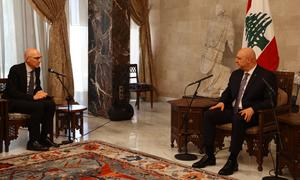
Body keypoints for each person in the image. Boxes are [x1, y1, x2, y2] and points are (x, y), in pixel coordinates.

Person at [192, 48, 277, 176]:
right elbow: (228, 92)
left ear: (249, 60)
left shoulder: (266, 76)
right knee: (209, 115)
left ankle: (232, 160)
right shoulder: (236, 74)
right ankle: (209, 155)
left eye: (239, 58)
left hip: (252, 114)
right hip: (234, 110)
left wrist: (253, 109)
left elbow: (271, 101)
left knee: (238, 119)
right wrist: (222, 101)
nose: (236, 61)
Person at [4, 48, 59, 151]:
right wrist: (32, 97)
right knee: (38, 106)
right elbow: (12, 92)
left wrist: (40, 92)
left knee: (50, 104)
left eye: (40, 58)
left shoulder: (37, 69)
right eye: (37, 58)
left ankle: (43, 138)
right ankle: (33, 142)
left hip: (27, 100)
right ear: (27, 59)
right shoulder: (15, 70)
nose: (39, 61)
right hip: (13, 101)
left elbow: (36, 86)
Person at [198, 4, 234, 98]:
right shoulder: (212, 21)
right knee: (209, 67)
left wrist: (231, 44)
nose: (216, 10)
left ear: (221, 10)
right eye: (216, 8)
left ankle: (215, 86)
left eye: (218, 8)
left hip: (219, 48)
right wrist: (206, 46)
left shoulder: (227, 21)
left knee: (216, 66)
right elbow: (208, 34)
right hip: (209, 47)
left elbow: (231, 33)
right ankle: (210, 85)